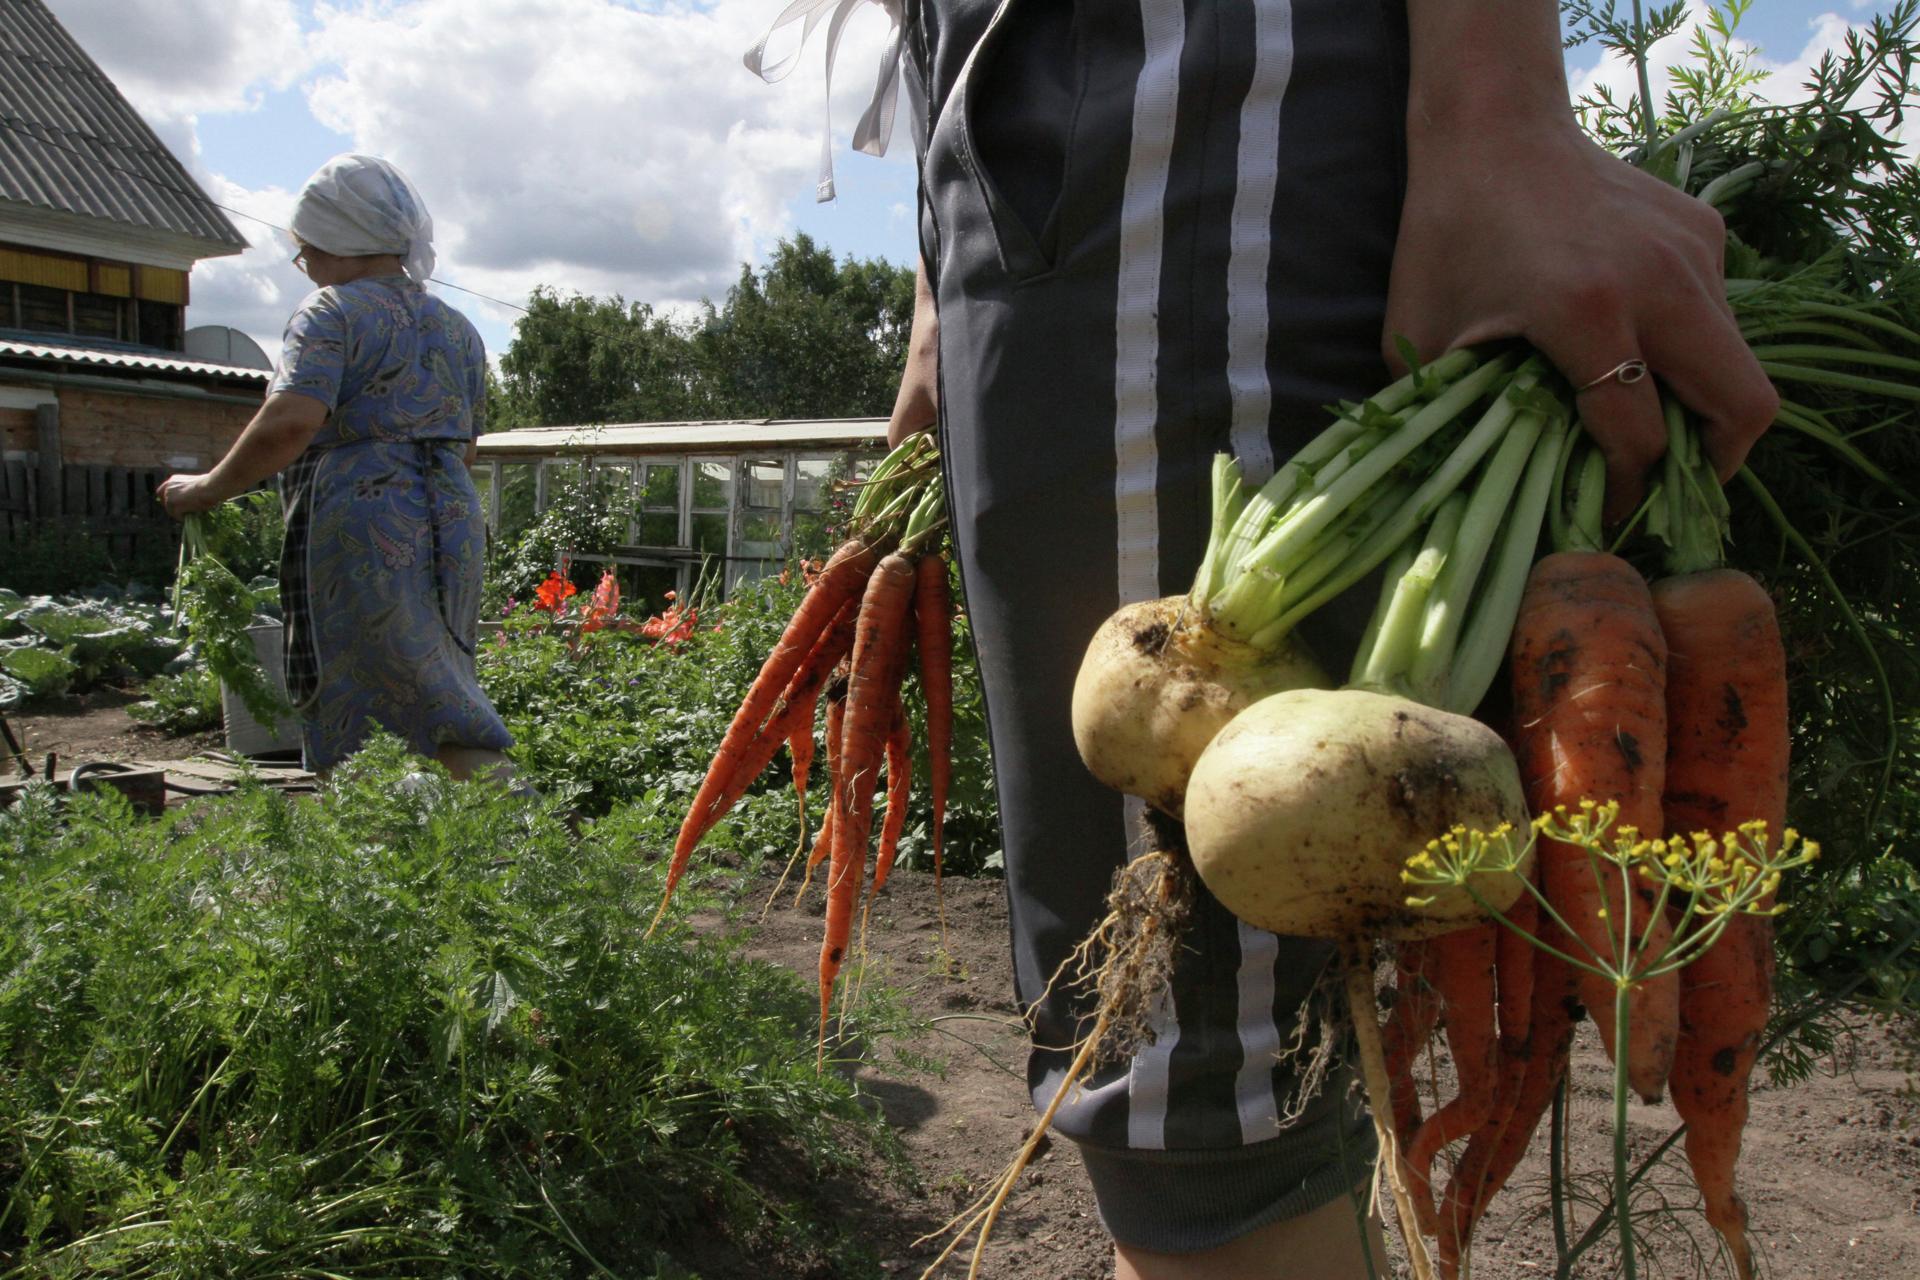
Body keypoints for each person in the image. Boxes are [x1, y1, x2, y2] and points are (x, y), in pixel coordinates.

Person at [820, 0, 1783, 1276]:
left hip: (1191, 65)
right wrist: (945, 257)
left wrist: (1498, 108)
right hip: (1012, 103)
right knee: (1207, 1083)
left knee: (1206, 1098)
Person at [159, 154, 515, 784]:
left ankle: (478, 839)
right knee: (439, 686)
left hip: (366, 522)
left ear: (337, 240)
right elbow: (466, 449)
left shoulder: (332, 312)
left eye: (307, 251)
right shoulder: (459, 329)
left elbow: (291, 421)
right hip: (452, 522)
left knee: (362, 696)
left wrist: (205, 490)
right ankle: (463, 851)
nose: (309, 266)